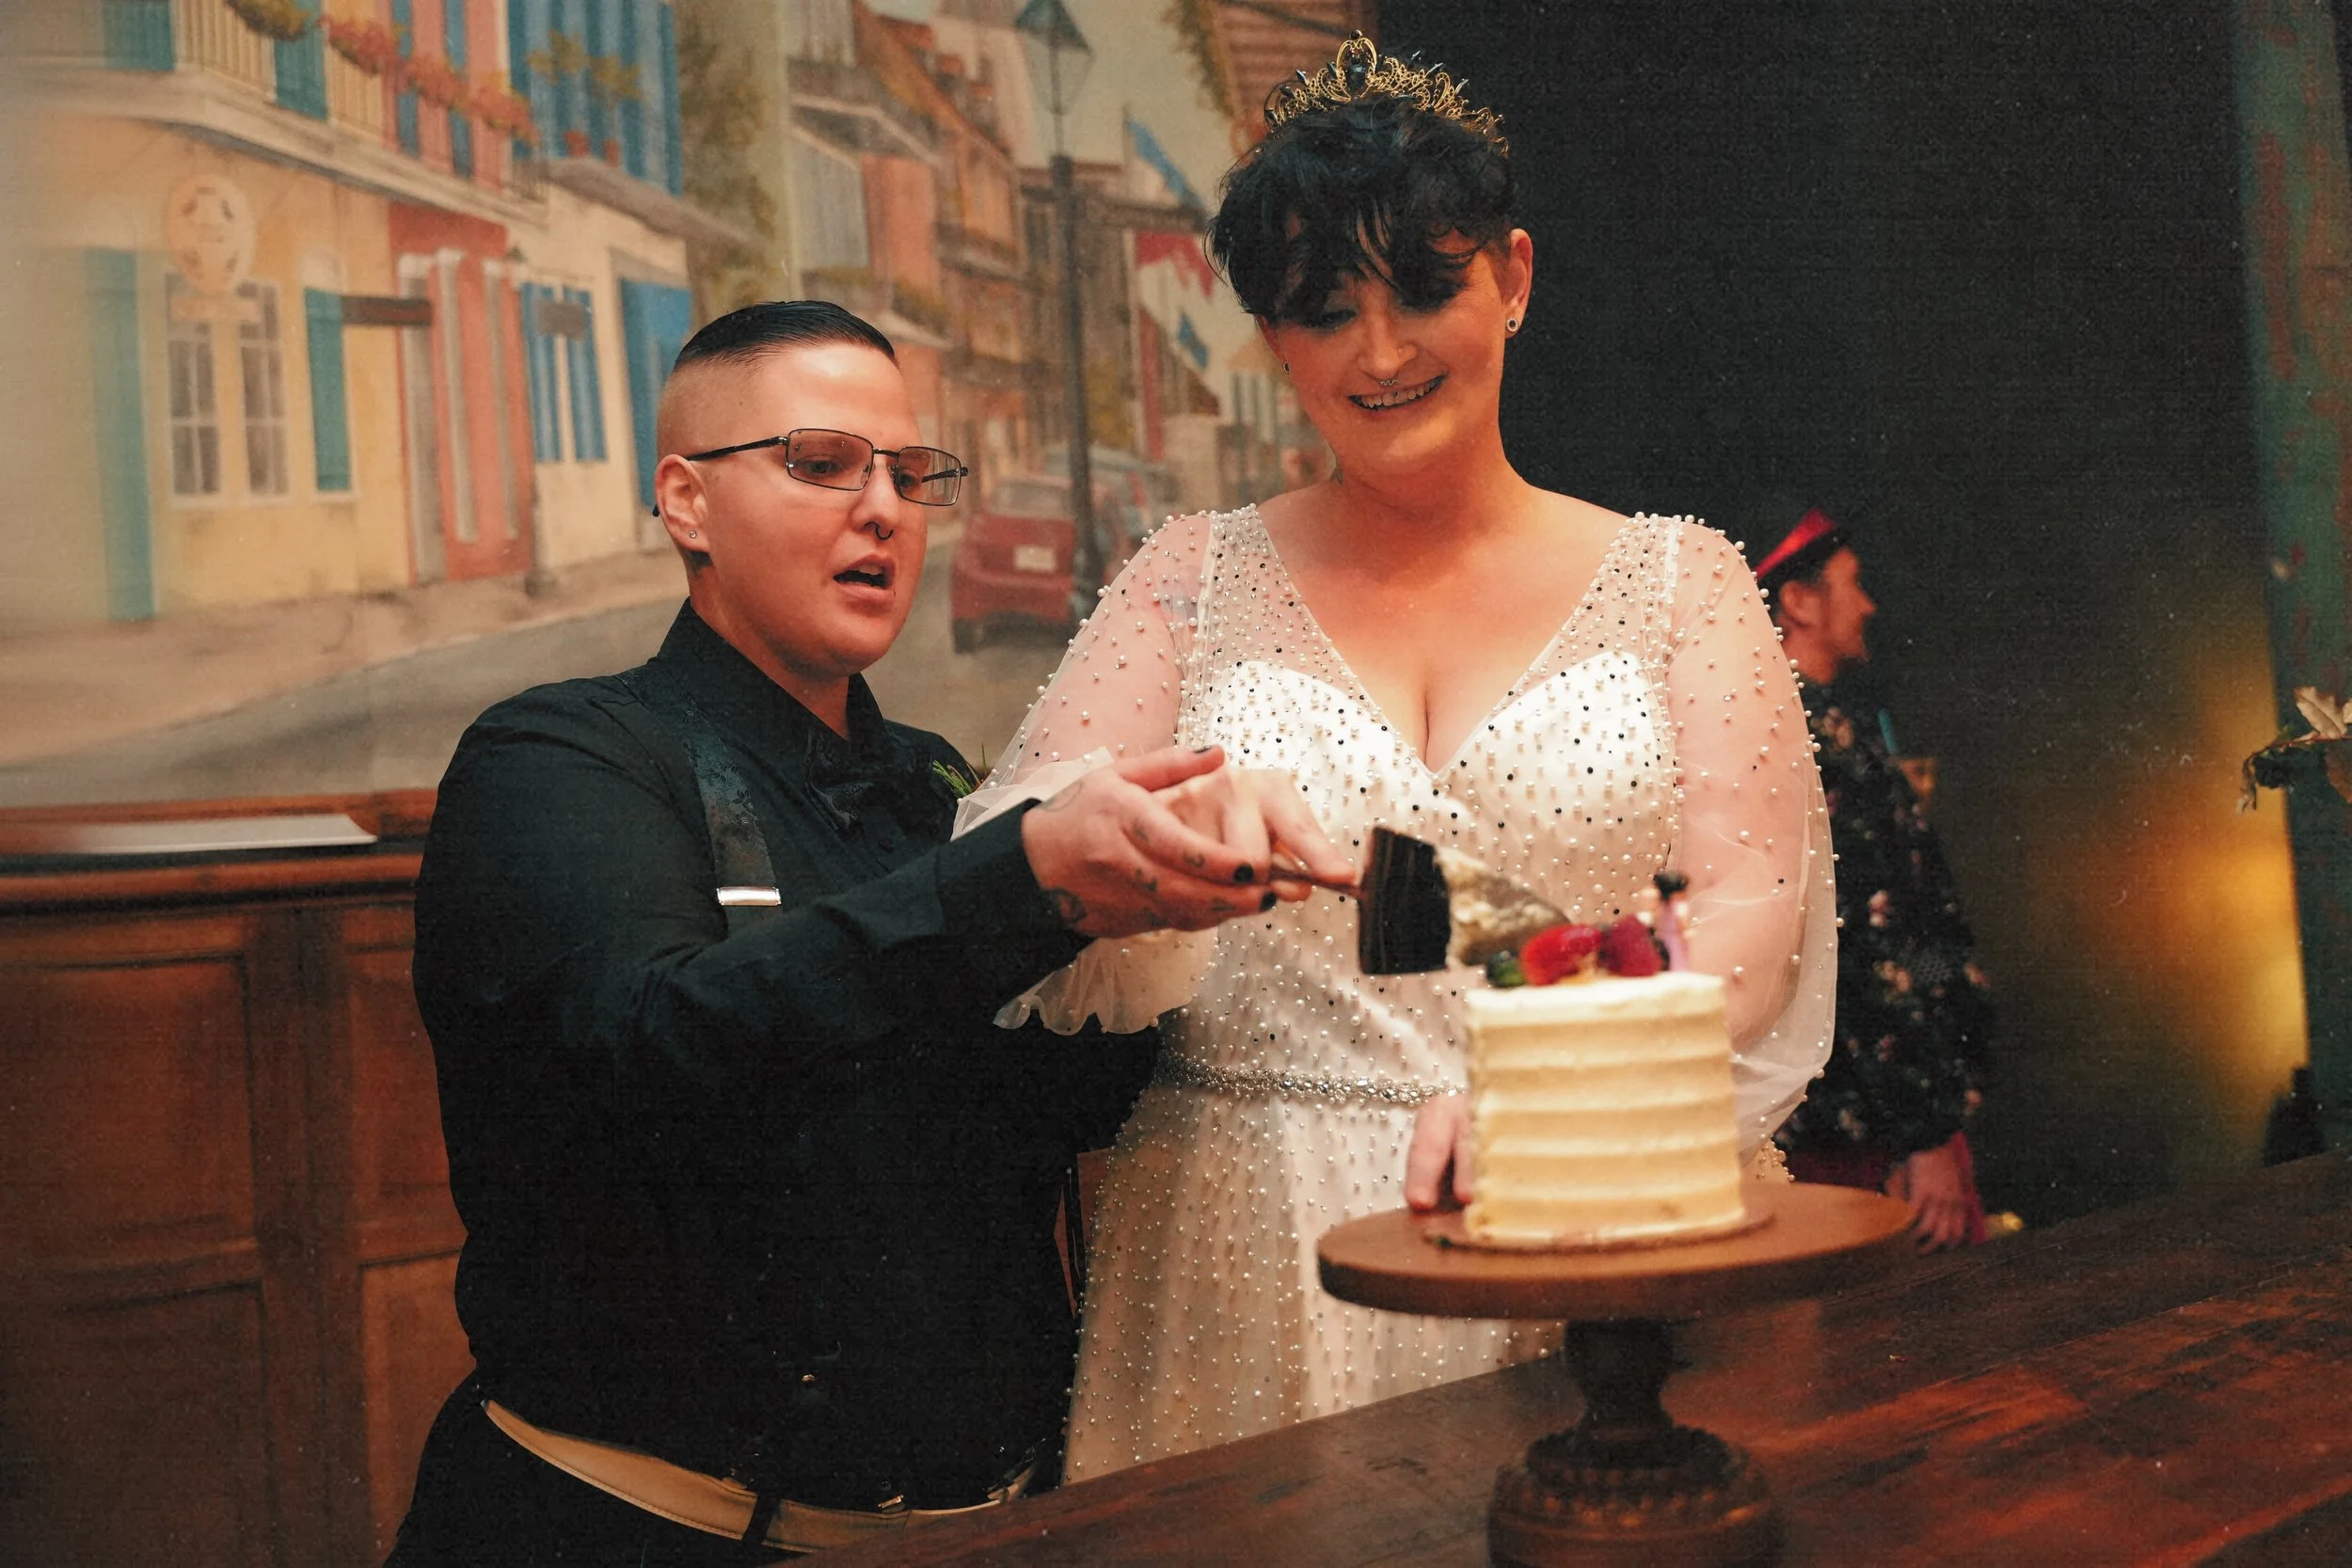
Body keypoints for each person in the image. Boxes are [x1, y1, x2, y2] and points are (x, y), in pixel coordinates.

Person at [957, 35, 1837, 1481]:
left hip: (1603, 1208)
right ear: (1274, 339)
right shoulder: (1190, 573)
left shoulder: (1683, 579)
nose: (1380, 351)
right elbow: (1021, 837)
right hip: (1254, 1228)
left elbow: (1751, 904)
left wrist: (1548, 1104)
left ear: (1516, 277)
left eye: (1425, 286)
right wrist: (1154, 831)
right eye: (1321, 309)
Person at [388, 300, 1349, 1564]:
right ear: (686, 501)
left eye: (910, 472)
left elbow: (1043, 1107)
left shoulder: (933, 783)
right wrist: (1015, 887)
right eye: (821, 463)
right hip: (642, 1524)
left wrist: (1165, 906)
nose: (884, 507)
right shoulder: (559, 754)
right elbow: (645, 1049)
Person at [1756, 505, 1993, 1251]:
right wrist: (1925, 1133)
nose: (1868, 605)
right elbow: (1868, 941)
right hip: (1873, 1134)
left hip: (1871, 1117)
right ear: (1799, 601)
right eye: (1852, 584)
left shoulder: (1806, 730)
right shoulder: (1811, 744)